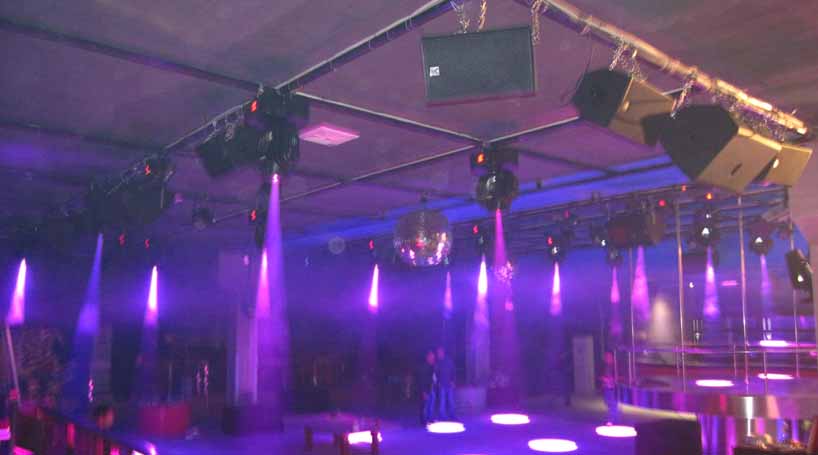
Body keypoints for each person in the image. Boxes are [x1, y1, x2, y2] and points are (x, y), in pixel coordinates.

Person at [435, 347, 455, 420]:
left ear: (443, 352)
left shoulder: (449, 361)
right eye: (438, 353)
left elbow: (453, 371)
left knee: (451, 400)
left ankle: (452, 415)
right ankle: (442, 416)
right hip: (442, 385)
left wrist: (453, 381)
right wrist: (437, 383)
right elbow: (436, 374)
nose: (438, 354)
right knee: (442, 401)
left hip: (449, 384)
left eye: (439, 352)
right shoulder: (438, 363)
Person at [417, 350, 437, 425]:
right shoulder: (424, 367)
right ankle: (423, 420)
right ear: (428, 357)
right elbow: (422, 379)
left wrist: (434, 384)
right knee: (425, 405)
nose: (433, 359)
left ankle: (430, 418)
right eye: (431, 357)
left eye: (433, 358)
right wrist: (423, 391)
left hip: (431, 388)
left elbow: (433, 377)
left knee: (431, 404)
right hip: (426, 389)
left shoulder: (432, 366)